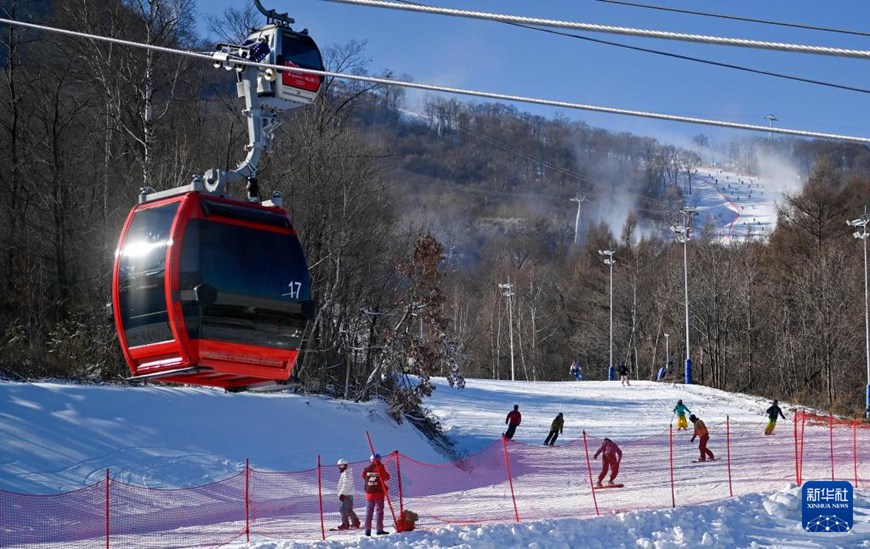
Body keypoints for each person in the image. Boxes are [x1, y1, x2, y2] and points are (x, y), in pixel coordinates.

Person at [361, 453, 391, 536]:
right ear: (378, 459)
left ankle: (367, 530)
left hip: (369, 494)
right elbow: (386, 477)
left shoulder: (366, 469)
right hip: (378, 493)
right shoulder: (380, 467)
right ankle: (379, 529)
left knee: (369, 512)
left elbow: (363, 476)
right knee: (379, 511)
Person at [336, 458, 360, 530]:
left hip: (346, 494)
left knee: (343, 509)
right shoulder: (345, 473)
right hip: (347, 494)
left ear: (345, 465)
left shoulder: (347, 473)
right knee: (348, 510)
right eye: (339, 466)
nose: (341, 467)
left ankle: (345, 524)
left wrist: (342, 493)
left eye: (342, 466)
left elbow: (346, 484)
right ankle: (355, 522)